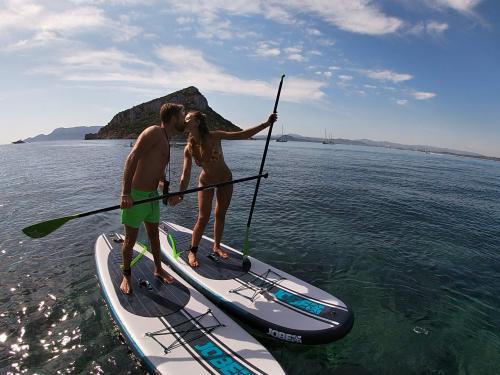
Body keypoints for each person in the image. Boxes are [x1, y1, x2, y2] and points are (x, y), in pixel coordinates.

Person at [169, 111, 277, 267]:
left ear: (197, 122)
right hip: (205, 182)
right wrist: (180, 195)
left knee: (220, 215)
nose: (185, 121)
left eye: (188, 118)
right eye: (184, 119)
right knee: (203, 217)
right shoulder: (189, 148)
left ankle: (217, 246)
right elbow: (185, 175)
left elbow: (242, 134)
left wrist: (266, 124)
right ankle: (192, 251)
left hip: (225, 180)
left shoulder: (214, 136)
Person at [119, 103, 186, 294]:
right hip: (136, 195)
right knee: (130, 240)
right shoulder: (154, 132)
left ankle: (158, 269)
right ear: (173, 118)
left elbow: (158, 175)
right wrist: (126, 193)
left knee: (154, 236)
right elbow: (132, 158)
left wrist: (167, 196)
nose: (184, 118)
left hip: (152, 196)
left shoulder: (166, 139)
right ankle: (126, 275)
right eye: (183, 115)